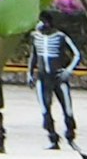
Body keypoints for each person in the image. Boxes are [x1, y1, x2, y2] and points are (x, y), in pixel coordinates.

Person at [26, 22, 78, 150]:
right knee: (44, 108)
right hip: (43, 77)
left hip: (58, 77)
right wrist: (29, 73)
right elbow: (34, 55)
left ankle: (70, 135)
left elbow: (77, 54)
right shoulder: (35, 37)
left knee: (67, 108)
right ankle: (52, 137)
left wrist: (68, 70)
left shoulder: (61, 37)